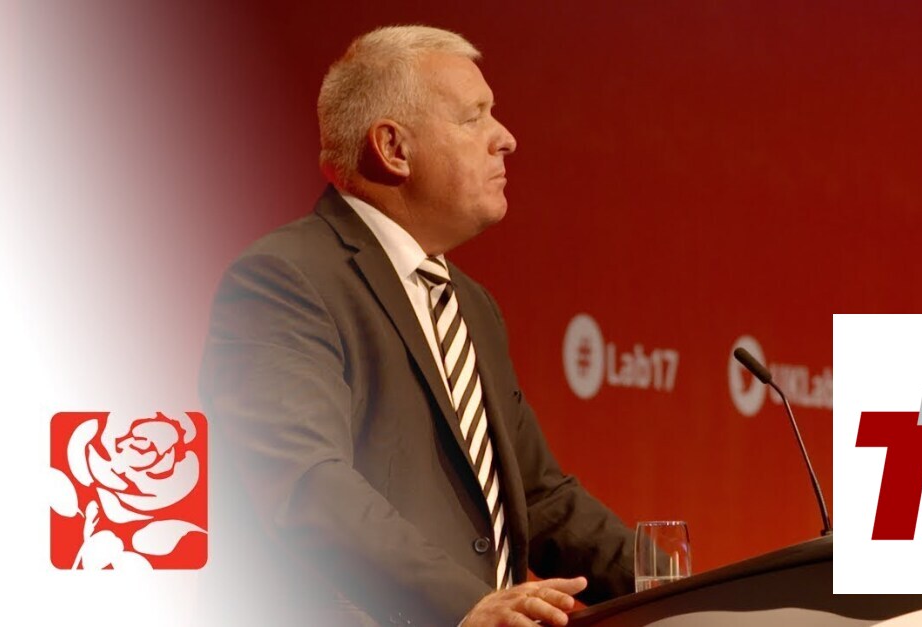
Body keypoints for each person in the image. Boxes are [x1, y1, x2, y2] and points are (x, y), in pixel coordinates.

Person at [199, 25, 634, 626]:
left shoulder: (471, 304)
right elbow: (307, 484)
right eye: (474, 117)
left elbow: (539, 497)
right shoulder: (285, 280)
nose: (505, 138)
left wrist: (691, 588)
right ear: (393, 148)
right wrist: (464, 605)